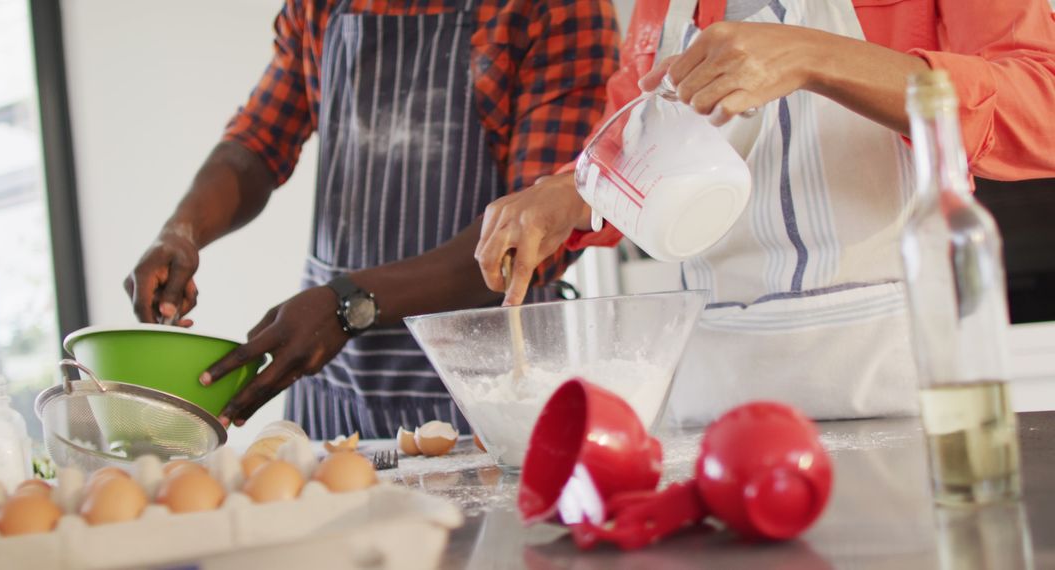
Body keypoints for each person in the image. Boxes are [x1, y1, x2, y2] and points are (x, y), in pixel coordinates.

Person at [475, 0, 1055, 425]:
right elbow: (641, 149)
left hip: (904, 394)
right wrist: (572, 190)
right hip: (711, 411)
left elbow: (1042, 104)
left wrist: (817, 57)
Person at [124, 0, 620, 438]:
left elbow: (535, 235)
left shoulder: (555, 8)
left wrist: (346, 304)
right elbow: (257, 142)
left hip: (486, 396)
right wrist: (182, 231)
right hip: (331, 381)